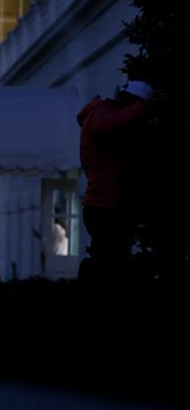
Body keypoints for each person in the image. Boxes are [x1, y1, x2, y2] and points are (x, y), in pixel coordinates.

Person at [77, 78, 155, 287]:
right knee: (110, 263)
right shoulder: (101, 114)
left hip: (103, 205)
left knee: (108, 261)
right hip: (106, 206)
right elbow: (108, 125)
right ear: (131, 101)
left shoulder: (100, 113)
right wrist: (144, 108)